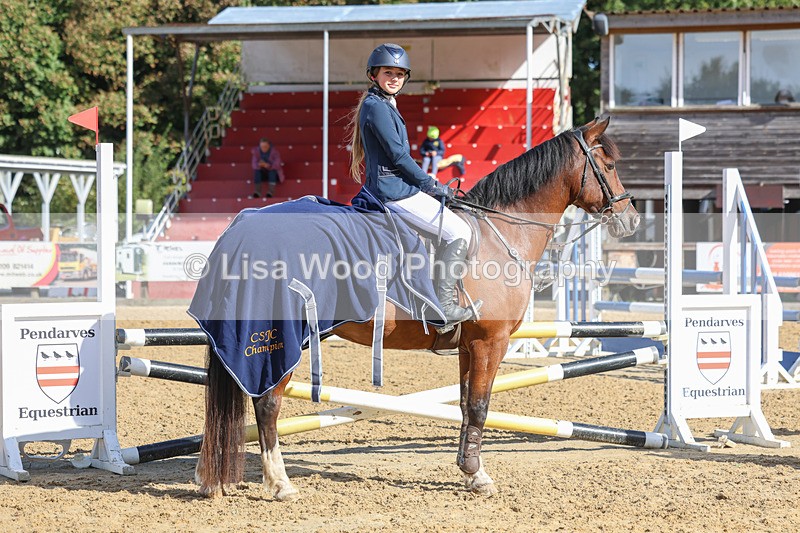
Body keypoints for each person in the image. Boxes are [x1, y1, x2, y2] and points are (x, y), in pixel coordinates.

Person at [346, 43, 481, 326]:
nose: (394, 78)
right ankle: (442, 307)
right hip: (393, 192)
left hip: (397, 187)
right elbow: (398, 156)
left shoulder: (382, 104)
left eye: (399, 73)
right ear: (373, 74)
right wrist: (431, 185)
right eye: (388, 72)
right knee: (459, 231)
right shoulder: (376, 107)